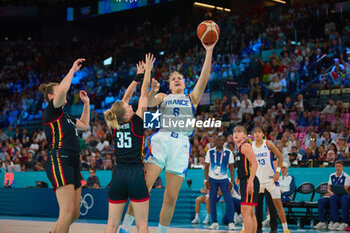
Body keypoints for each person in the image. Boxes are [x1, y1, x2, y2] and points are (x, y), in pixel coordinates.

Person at [120, 40, 217, 233]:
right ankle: (124, 228)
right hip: (161, 140)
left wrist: (209, 51)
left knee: (171, 197)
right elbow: (145, 103)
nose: (177, 80)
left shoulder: (192, 98)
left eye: (180, 78)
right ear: (170, 85)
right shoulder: (163, 97)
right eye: (173, 79)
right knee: (143, 188)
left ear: (184, 83)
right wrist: (152, 90)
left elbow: (204, 78)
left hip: (181, 145)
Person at [103, 54, 155, 233]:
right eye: (130, 108)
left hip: (118, 175)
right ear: (127, 115)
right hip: (135, 174)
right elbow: (144, 93)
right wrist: (147, 71)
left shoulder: (114, 124)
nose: (132, 106)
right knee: (142, 225)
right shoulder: (137, 123)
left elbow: (124, 100)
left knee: (111, 225)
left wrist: (136, 78)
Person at [39, 58, 90, 233]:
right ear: (52, 97)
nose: (65, 94)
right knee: (67, 212)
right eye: (59, 92)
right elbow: (62, 88)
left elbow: (84, 125)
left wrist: (87, 104)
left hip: (73, 162)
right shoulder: (51, 112)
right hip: (60, 158)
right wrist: (72, 70)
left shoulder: (66, 117)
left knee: (74, 213)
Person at [252, 127, 290, 233]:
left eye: (259, 132)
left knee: (272, 205)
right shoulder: (251, 146)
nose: (257, 134)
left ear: (263, 134)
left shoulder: (268, 144)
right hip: (258, 180)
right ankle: (258, 228)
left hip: (270, 179)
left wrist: (277, 172)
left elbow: (280, 157)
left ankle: (274, 229)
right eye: (255, 132)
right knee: (258, 207)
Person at [204, 135, 235, 230]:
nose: (219, 141)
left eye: (221, 140)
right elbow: (206, 166)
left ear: (224, 142)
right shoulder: (210, 152)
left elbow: (231, 167)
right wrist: (206, 180)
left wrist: (231, 181)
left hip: (224, 179)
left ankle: (231, 222)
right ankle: (214, 222)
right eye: (218, 140)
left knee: (229, 200)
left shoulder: (229, 152)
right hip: (212, 179)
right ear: (215, 142)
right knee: (212, 200)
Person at [232, 126, 259, 233]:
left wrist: (250, 181)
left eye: (239, 131)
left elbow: (254, 164)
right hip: (245, 180)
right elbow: (245, 166)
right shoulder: (239, 149)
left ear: (244, 135)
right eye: (234, 132)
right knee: (250, 212)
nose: (235, 134)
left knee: (246, 211)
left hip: (249, 180)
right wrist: (239, 177)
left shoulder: (245, 146)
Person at [314, 160, 350, 230]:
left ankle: (343, 222)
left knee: (342, 198)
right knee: (321, 200)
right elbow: (328, 188)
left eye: (339, 166)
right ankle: (323, 222)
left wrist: (335, 192)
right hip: (335, 195)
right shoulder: (332, 175)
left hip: (343, 195)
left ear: (343, 167)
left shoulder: (346, 177)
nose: (338, 168)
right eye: (336, 166)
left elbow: (346, 189)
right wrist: (331, 193)